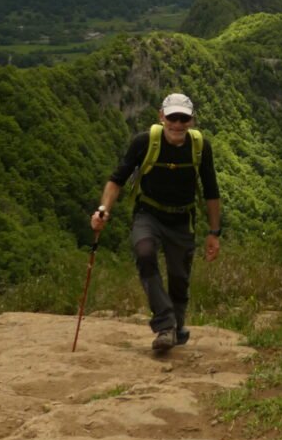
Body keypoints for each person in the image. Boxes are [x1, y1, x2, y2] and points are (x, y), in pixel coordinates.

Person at [91, 93, 222, 352]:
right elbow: (117, 179)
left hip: (182, 218)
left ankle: (175, 326)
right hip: (148, 214)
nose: (177, 123)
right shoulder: (144, 142)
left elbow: (211, 191)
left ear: (192, 121)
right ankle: (165, 325)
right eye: (172, 117)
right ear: (161, 116)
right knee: (145, 253)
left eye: (183, 118)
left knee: (179, 278)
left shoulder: (200, 147)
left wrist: (214, 232)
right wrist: (103, 209)